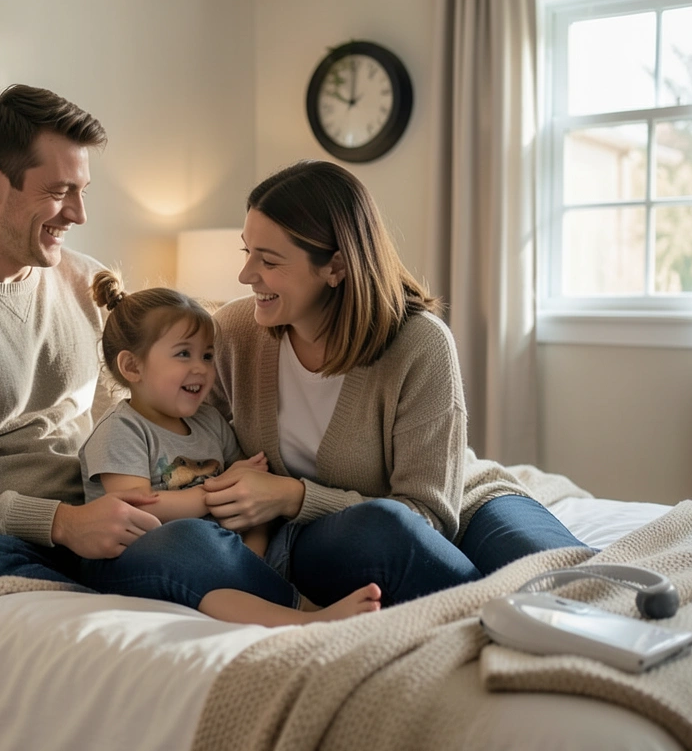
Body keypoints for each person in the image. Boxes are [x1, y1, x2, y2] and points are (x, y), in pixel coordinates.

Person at [0, 84, 302, 614]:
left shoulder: (88, 283)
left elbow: (139, 415)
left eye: (82, 190)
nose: (79, 214)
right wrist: (58, 524)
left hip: (101, 520)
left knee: (199, 541)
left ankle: (305, 614)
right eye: (61, 191)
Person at [204, 160, 591, 608]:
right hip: (343, 536)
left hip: (459, 503)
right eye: (246, 252)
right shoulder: (233, 332)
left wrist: (296, 496)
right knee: (378, 533)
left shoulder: (420, 343)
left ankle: (516, 614)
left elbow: (428, 513)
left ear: (336, 266)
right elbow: (181, 436)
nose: (246, 274)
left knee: (572, 582)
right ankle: (500, 616)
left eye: (268, 260)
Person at [79, 269, 381, 625]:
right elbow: (136, 509)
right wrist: (215, 495)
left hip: (222, 553)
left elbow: (252, 495)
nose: (202, 368)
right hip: (136, 560)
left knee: (288, 535)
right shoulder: (122, 430)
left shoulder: (211, 422)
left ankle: (289, 605)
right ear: (132, 366)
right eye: (183, 354)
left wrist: (250, 554)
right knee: (187, 537)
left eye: (207, 356)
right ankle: (305, 615)